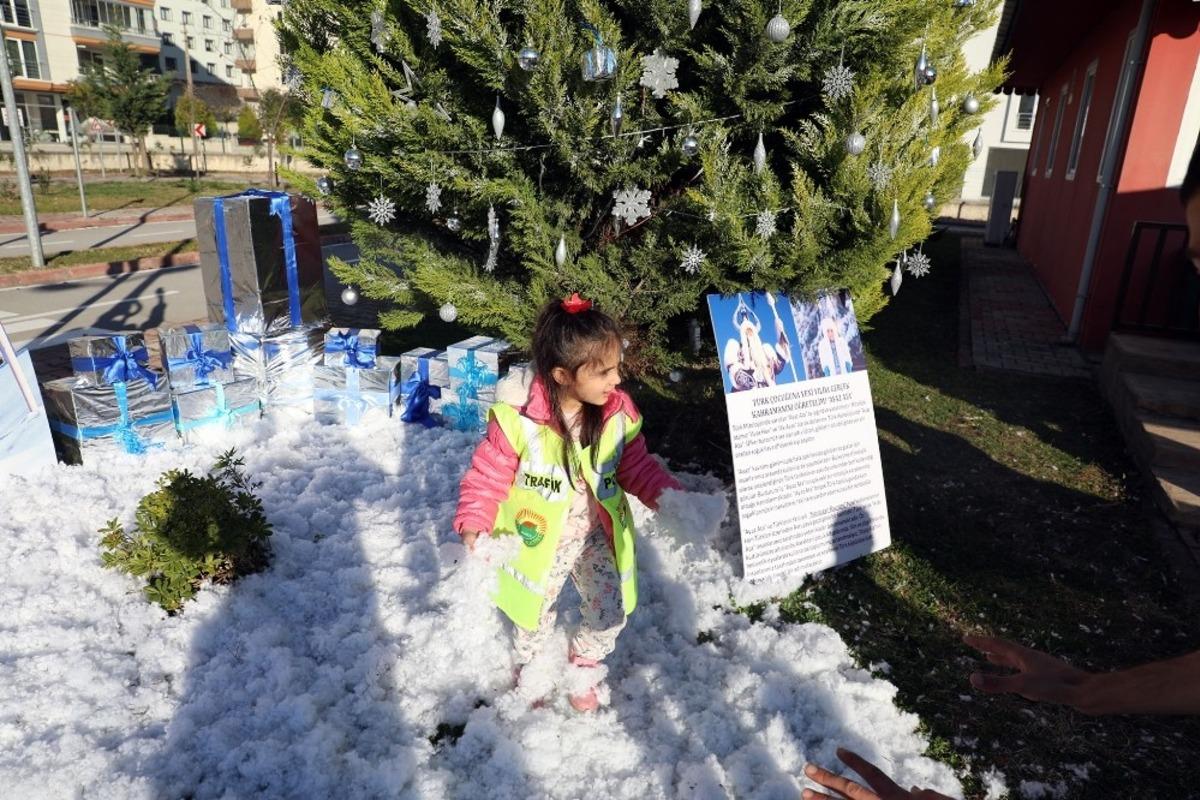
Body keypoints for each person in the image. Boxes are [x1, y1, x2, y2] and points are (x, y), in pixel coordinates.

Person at [454, 293, 683, 712]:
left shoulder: (616, 415)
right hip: (538, 540)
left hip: (596, 534)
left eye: (616, 368)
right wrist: (475, 520)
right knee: (532, 615)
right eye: (604, 372)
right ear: (562, 374)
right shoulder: (519, 418)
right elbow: (489, 474)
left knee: (610, 610)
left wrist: (672, 500)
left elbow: (637, 468)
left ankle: (583, 664)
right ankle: (534, 668)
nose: (616, 380)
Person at [723, 292, 792, 390]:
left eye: (750, 331)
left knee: (767, 347)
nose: (749, 334)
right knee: (732, 343)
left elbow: (778, 366)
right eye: (746, 332)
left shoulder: (764, 349)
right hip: (747, 387)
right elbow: (731, 364)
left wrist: (781, 336)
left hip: (767, 385)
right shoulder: (738, 349)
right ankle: (744, 379)